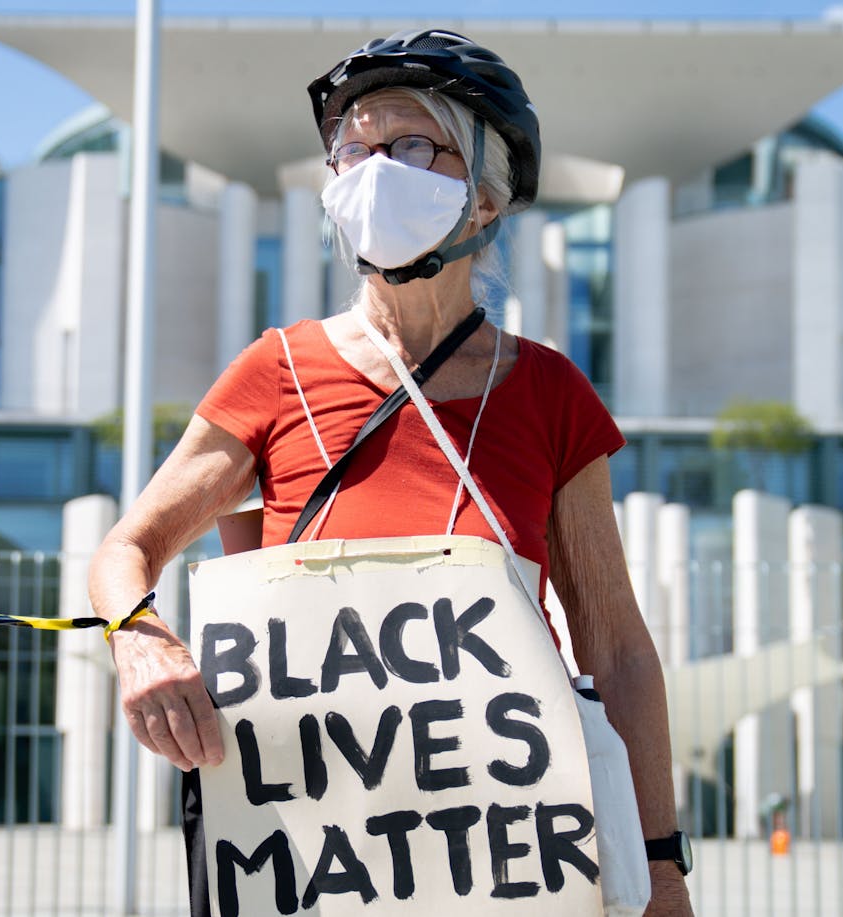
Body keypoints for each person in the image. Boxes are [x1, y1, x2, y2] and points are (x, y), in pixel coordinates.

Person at [89, 28, 692, 915]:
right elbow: (125, 551)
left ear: (485, 198)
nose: (374, 173)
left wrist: (663, 868)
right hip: (311, 862)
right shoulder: (277, 371)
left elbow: (618, 649)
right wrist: (140, 639)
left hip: (506, 865)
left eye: (412, 147)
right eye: (353, 151)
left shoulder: (550, 393)